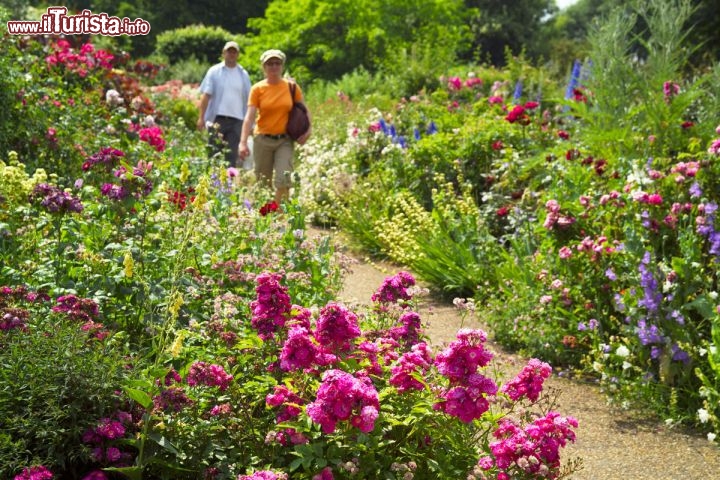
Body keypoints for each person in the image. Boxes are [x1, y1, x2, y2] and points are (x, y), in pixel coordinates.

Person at [239, 49, 311, 204]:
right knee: (262, 180)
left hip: (284, 140)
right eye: (269, 64)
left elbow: (304, 110)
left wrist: (308, 130)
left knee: (283, 177)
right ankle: (266, 214)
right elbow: (249, 116)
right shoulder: (257, 89)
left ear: (282, 66)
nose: (274, 67)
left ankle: (278, 212)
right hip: (262, 139)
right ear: (264, 67)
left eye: (277, 63)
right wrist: (243, 142)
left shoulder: (292, 87)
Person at [197, 40, 252, 167]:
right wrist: (201, 118)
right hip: (217, 119)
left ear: (238, 54)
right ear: (223, 53)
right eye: (229, 51)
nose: (231, 54)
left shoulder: (243, 74)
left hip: (237, 121)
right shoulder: (214, 71)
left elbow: (250, 100)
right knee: (213, 154)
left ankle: (228, 185)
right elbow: (206, 95)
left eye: (234, 52)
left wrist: (250, 124)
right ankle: (211, 183)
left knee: (231, 157)